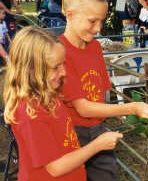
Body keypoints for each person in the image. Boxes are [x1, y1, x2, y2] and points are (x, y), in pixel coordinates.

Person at [59, 0, 148, 181]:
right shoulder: (60, 53)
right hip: (72, 132)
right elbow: (84, 108)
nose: (98, 28)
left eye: (101, 21)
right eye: (92, 21)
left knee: (105, 175)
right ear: (70, 14)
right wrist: (133, 108)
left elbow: (103, 92)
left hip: (98, 128)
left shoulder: (96, 47)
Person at [3, 26, 123, 181]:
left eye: (63, 64)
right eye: (55, 67)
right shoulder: (30, 113)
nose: (64, 72)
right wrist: (97, 145)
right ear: (31, 70)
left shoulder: (49, 94)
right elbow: (56, 168)